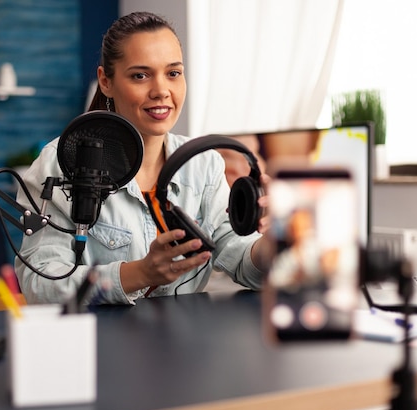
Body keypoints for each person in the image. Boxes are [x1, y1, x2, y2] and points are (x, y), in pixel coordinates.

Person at [15, 11, 273, 305]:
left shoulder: (204, 165)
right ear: (105, 81)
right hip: (100, 345)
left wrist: (275, 244)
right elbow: (40, 285)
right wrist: (140, 273)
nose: (161, 90)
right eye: (140, 75)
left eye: (173, 73)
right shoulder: (59, 163)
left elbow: (242, 260)